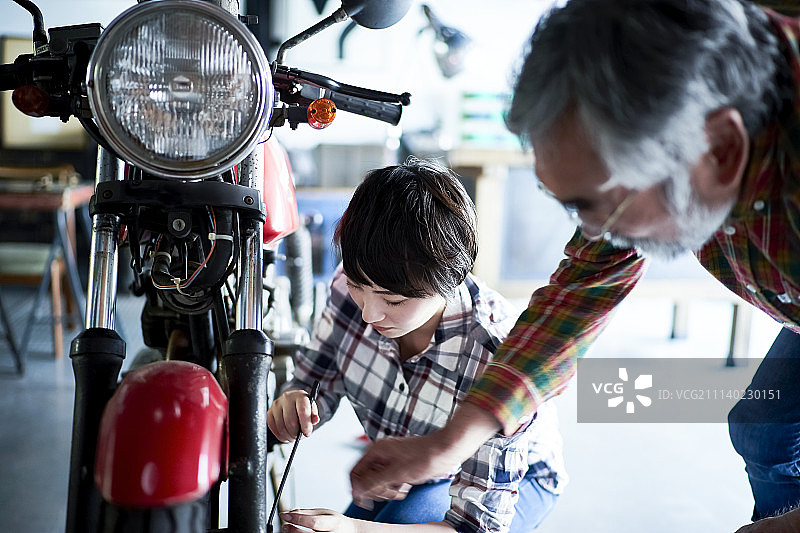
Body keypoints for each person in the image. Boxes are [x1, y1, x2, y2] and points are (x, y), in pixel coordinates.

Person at [348, 1, 800, 532]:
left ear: (720, 149)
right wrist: (450, 445)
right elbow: (580, 291)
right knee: (766, 426)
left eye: (596, 204)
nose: (592, 234)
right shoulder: (682, 119)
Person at [268, 158, 566, 533]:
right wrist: (296, 402)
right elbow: (316, 379)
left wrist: (357, 530)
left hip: (514, 481)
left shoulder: (493, 352)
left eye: (393, 300)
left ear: (449, 279)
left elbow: (477, 527)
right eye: (361, 288)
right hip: (413, 469)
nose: (369, 315)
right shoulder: (348, 286)